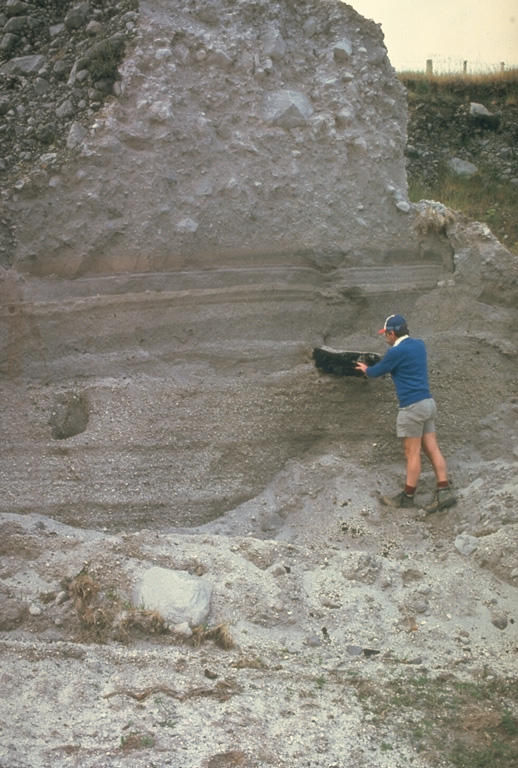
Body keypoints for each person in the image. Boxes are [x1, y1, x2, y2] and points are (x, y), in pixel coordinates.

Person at [355, 314, 457, 512]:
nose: (385, 338)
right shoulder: (419, 345)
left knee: (412, 453)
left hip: (412, 408)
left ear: (392, 333)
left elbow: (376, 372)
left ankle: (407, 497)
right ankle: (444, 492)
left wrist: (366, 369)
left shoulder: (395, 352)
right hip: (428, 404)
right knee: (432, 448)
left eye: (386, 334)